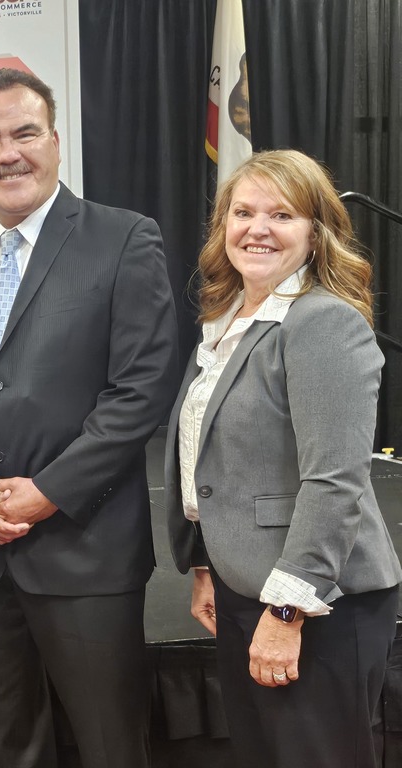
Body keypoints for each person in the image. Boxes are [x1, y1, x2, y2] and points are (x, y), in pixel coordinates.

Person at [0, 68, 179, 768]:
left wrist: (49, 491)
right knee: (7, 748)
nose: (8, 154)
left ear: (56, 142)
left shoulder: (124, 240)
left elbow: (141, 391)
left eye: (25, 133)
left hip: (85, 549)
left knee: (110, 745)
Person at [165, 148, 401, 767]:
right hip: (248, 584)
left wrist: (287, 610)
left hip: (319, 601)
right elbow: (213, 462)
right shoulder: (228, 320)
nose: (258, 228)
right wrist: (206, 565)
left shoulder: (321, 322)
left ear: (317, 233)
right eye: (242, 212)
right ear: (223, 228)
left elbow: (335, 481)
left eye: (283, 214)